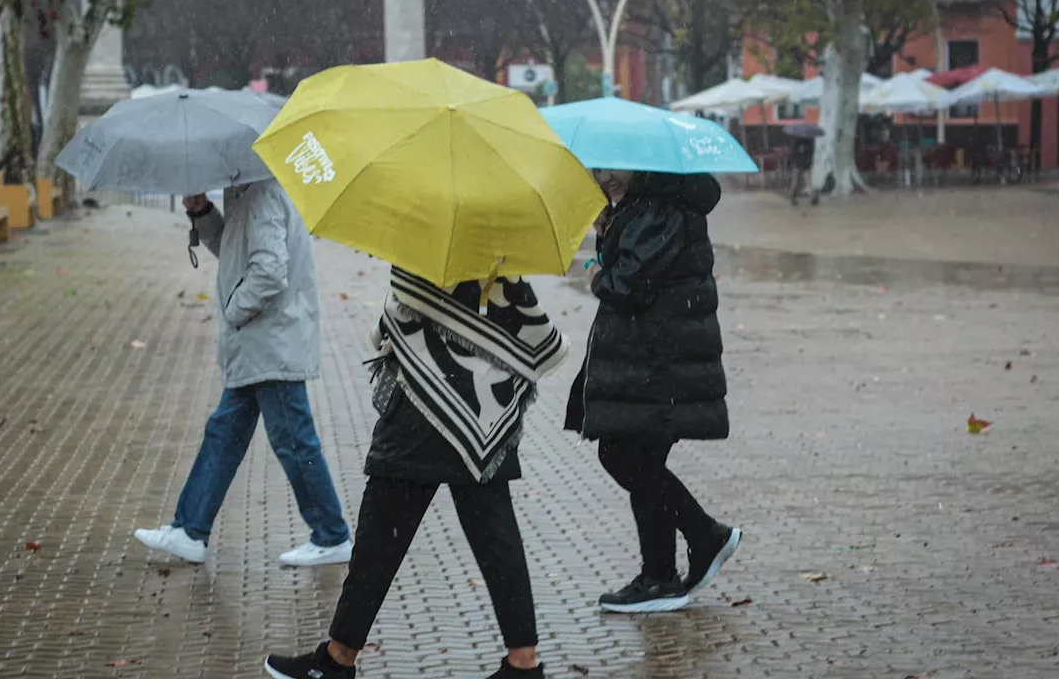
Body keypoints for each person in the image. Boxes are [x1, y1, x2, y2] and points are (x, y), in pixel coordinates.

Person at [264, 267, 568, 679]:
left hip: (417, 418)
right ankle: (523, 663)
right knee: (496, 539)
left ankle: (337, 660)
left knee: (380, 540)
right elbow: (533, 334)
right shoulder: (501, 243)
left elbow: (398, 319)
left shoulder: (431, 242)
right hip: (484, 416)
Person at [132, 180, 352, 567]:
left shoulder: (262, 193)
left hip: (270, 341)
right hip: (261, 342)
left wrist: (234, 310)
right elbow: (235, 251)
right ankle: (190, 530)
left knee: (293, 440)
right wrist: (203, 213)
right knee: (225, 434)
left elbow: (269, 270)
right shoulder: (247, 191)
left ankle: (332, 534)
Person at [567, 169, 741, 614]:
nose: (605, 180)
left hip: (658, 363)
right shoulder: (645, 208)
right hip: (651, 361)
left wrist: (597, 274)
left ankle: (705, 536)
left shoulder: (660, 209)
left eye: (611, 172)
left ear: (638, 167)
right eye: (598, 174)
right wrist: (609, 229)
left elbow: (630, 285)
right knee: (641, 461)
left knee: (623, 456)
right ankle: (659, 575)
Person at [788, 135, 815, 206]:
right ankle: (793, 197)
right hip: (798, 162)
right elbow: (793, 151)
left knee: (807, 180)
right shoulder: (796, 140)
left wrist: (804, 150)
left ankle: (812, 197)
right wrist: (799, 151)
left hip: (805, 163)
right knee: (796, 181)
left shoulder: (809, 140)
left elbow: (811, 151)